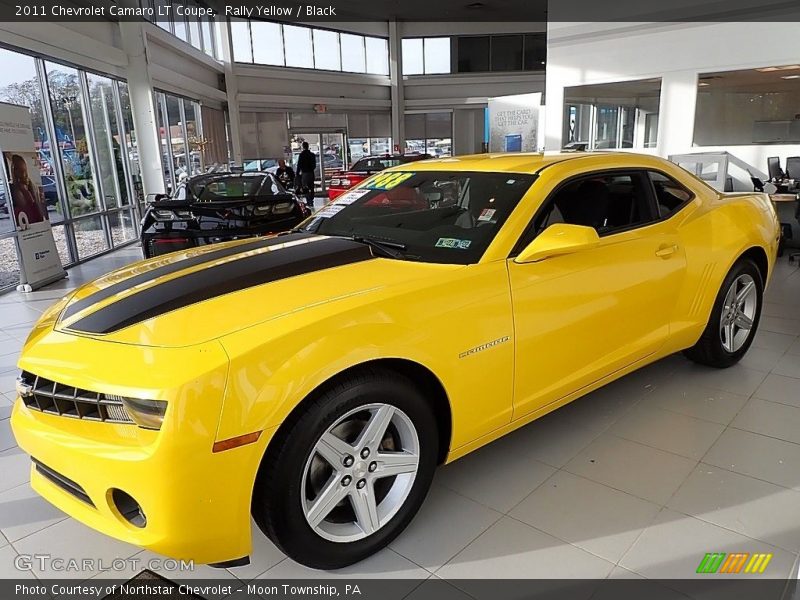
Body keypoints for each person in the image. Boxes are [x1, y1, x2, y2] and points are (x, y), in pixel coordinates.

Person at [8, 153, 45, 227]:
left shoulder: (29, 185)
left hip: (33, 218)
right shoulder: (14, 187)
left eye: (22, 170)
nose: (21, 173)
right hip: (26, 220)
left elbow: (32, 204)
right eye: (17, 169)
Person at [296, 141, 317, 208]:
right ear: (308, 146)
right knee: (311, 187)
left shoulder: (301, 155)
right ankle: (312, 199)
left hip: (304, 173)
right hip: (311, 173)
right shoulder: (312, 155)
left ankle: (309, 201)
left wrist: (297, 173)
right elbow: (314, 165)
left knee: (305, 187)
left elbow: (299, 165)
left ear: (303, 147)